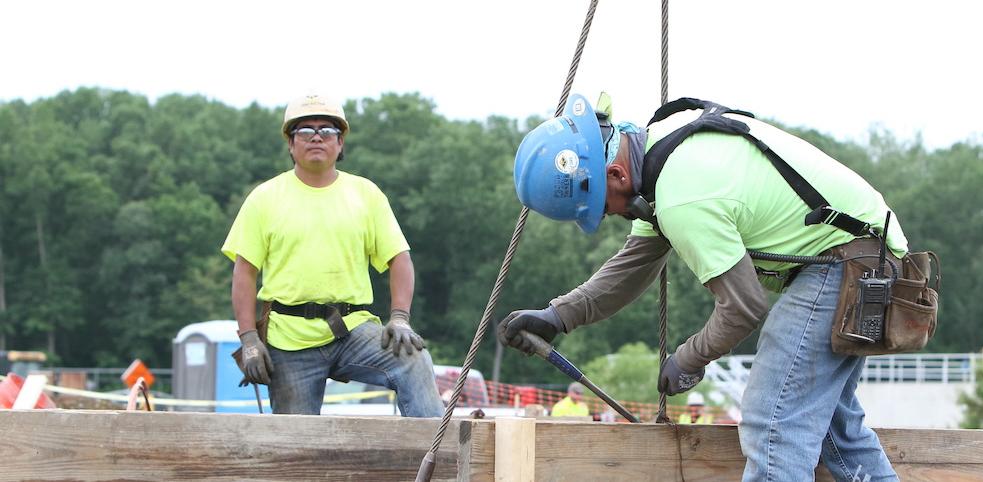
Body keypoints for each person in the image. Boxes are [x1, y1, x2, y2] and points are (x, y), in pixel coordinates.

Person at [497, 93, 906, 481]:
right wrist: (557, 317)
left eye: (604, 206)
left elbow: (744, 306)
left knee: (773, 420)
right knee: (834, 430)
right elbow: (629, 271)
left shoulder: (680, 197)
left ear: (616, 174)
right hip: (866, 258)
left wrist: (689, 360)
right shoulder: (664, 163)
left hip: (847, 262)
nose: (609, 215)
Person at [222, 94, 442, 416]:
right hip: (289, 339)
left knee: (412, 357)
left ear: (340, 145)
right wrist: (250, 339)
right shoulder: (264, 199)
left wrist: (399, 318)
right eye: (304, 130)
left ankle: (435, 457)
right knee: (296, 443)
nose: (315, 136)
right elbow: (244, 273)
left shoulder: (366, 194)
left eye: (326, 130)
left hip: (354, 329)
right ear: (290, 144)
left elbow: (399, 258)